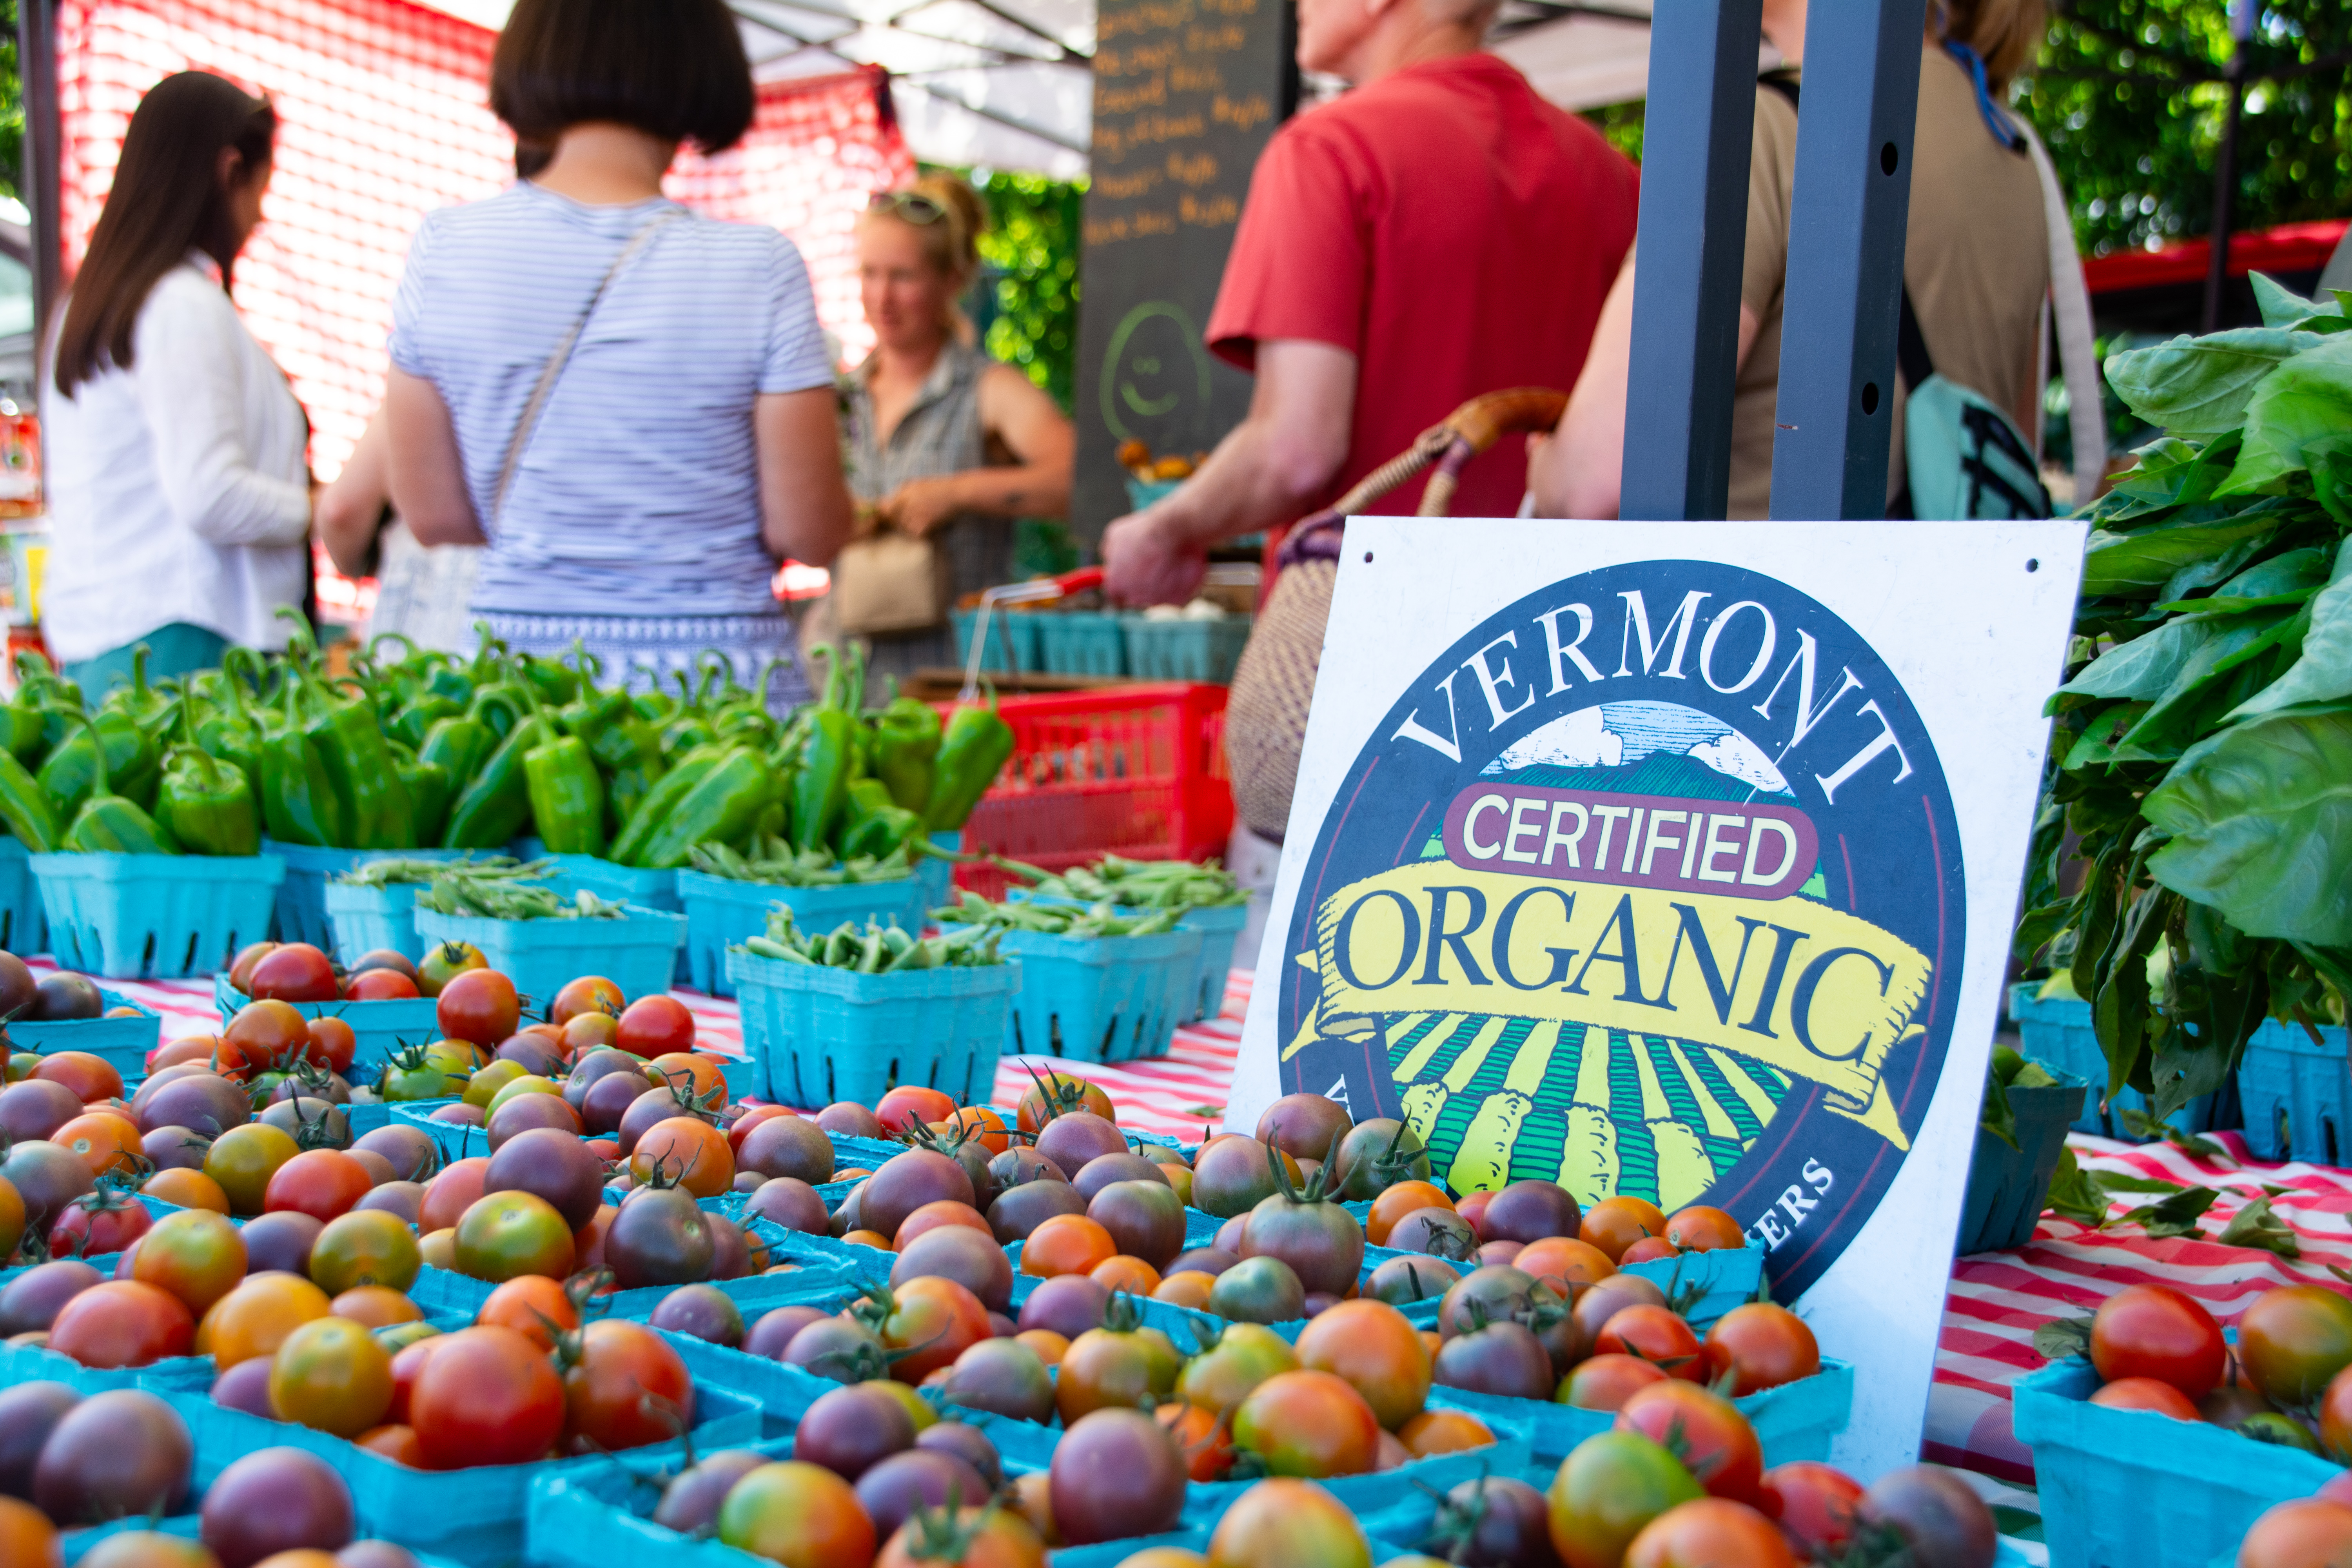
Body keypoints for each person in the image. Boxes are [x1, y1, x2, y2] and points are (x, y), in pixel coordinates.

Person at [1098, 0, 1639, 842]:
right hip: (1556, 687)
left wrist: (1164, 529)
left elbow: (1294, 447)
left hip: (1355, 680)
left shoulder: (1329, 150)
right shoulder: (1614, 180)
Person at [383, 0, 853, 705]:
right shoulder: (759, 266)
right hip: (718, 706)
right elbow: (809, 531)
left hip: (519, 703)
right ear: (701, 62)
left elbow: (435, 515)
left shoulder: (446, 248)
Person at [1532, 0, 2053, 520]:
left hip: (1763, 594)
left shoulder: (1752, 128)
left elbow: (1596, 481)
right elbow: (2018, 434)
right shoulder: (2015, 153)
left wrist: (1549, 466)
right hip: (1930, 592)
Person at [41, 71, 312, 690]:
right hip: (190, 649)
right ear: (228, 171)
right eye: (260, 191)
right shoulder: (181, 304)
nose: (259, 218)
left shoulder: (88, 304)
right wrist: (319, 512)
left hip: (110, 650)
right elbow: (210, 494)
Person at [835, 175, 1074, 695]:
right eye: (870, 274)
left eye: (903, 276)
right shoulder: (840, 396)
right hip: (840, 679)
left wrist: (958, 493)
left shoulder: (987, 389)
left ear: (952, 280)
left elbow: (1076, 480)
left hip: (951, 685)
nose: (882, 297)